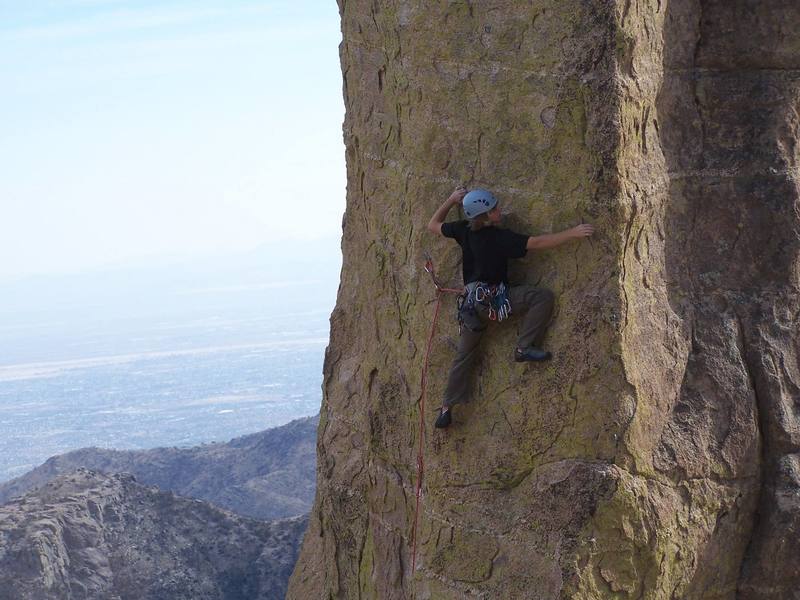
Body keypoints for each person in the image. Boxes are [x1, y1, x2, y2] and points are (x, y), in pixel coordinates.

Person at [426, 186, 595, 429]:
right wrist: (573, 233)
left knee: (463, 356)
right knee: (542, 297)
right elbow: (537, 242)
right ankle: (523, 347)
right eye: (494, 208)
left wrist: (451, 200)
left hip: (471, 309)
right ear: (484, 215)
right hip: (496, 302)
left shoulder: (463, 231)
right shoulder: (499, 237)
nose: (499, 209)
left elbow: (433, 224)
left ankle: (446, 409)